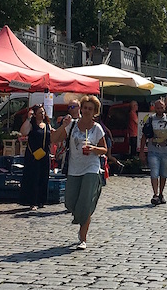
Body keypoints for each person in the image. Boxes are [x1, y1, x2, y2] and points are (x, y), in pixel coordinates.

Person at [53, 94, 107, 249]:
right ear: (81, 109)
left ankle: (83, 237)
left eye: (90, 109)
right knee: (70, 202)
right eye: (85, 108)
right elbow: (54, 139)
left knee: (85, 202)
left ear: (95, 111)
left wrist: (93, 149)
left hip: (91, 167)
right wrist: (63, 125)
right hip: (74, 168)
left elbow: (105, 149)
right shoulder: (73, 125)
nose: (87, 111)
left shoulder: (97, 129)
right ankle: (80, 218)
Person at [141, 99, 167, 205]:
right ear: (155, 108)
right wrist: (141, 152)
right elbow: (144, 136)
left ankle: (161, 194)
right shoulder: (150, 119)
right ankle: (155, 194)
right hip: (153, 150)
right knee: (154, 172)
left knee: (164, 174)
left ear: (164, 107)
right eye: (157, 108)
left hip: (166, 151)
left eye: (161, 108)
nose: (159, 110)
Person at [19, 105, 52, 211]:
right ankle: (32, 201)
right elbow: (23, 132)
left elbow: (52, 135)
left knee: (43, 177)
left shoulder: (47, 125)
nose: (42, 114)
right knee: (33, 177)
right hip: (33, 155)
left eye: (43, 112)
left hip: (45, 154)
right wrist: (28, 118)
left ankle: (41, 200)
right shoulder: (31, 124)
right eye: (40, 113)